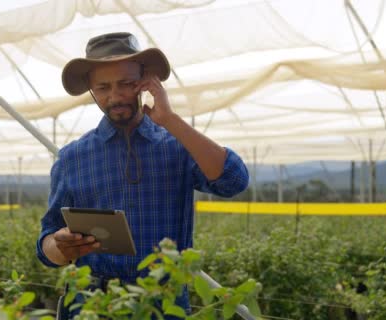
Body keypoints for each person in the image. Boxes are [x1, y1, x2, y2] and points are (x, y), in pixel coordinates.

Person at [36, 32, 249, 317]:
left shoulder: (176, 146)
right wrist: (60, 246)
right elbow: (47, 243)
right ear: (90, 89)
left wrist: (170, 120)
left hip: (162, 305)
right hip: (92, 305)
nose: (115, 96)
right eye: (103, 87)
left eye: (126, 84)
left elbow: (233, 181)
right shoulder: (72, 157)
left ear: (146, 81)